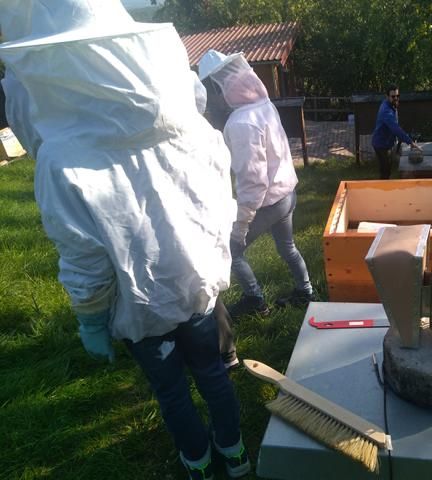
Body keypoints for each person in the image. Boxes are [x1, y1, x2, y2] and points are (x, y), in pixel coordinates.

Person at [0, 1, 249, 479]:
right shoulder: (193, 128)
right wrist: (214, 266)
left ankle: (198, 464)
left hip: (140, 308)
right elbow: (221, 204)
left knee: (172, 390)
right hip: (197, 283)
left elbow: (84, 256)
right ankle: (234, 454)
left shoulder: (62, 159)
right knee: (212, 372)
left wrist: (91, 318)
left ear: (52, 68)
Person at [198, 50, 314, 318]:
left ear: (221, 88)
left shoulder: (241, 122)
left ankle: (255, 301)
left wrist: (241, 225)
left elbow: (253, 182)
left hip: (269, 202)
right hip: (287, 194)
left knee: (231, 251)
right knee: (287, 246)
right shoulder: (264, 106)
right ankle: (305, 290)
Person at [371, 84, 420, 179]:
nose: (396, 98)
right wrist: (410, 142)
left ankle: (384, 184)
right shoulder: (386, 111)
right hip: (381, 144)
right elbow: (395, 128)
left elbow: (395, 126)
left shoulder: (392, 105)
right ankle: (382, 187)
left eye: (398, 96)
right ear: (387, 96)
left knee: (388, 168)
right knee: (385, 171)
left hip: (387, 143)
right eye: (393, 96)